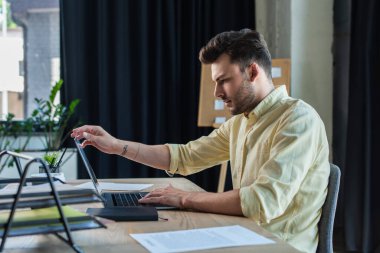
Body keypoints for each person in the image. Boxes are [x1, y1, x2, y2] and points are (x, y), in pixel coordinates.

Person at [71, 29, 330, 253]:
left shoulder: (297, 120)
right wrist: (117, 146)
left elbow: (262, 202)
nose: (217, 93)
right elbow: (185, 157)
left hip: (279, 246)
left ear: (252, 71)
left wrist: (184, 199)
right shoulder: (242, 122)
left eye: (223, 81)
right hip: (243, 235)